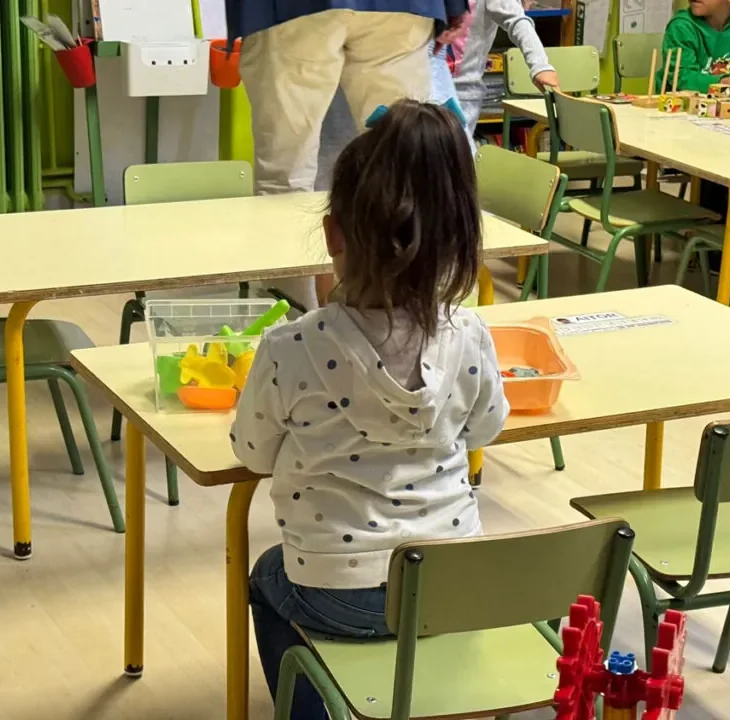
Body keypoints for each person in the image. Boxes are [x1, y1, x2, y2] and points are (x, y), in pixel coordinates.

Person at [230, 100, 511, 720]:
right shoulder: (469, 335)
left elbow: (250, 454)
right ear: (454, 238)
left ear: (333, 234)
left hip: (338, 587)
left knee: (267, 576)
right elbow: (487, 426)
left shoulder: (290, 345)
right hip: (452, 581)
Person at [229, 0, 469, 310]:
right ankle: (404, 317)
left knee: (284, 179)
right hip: (402, 7)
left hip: (291, 10)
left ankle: (290, 328)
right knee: (402, 164)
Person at [660, 0, 730, 216]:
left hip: (728, 124)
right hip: (682, 122)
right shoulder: (682, 25)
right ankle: (712, 235)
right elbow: (682, 76)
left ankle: (714, 231)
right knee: (716, 170)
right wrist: (720, 82)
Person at [454, 0, 560, 141]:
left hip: (463, 93)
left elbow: (518, 21)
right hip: (422, 89)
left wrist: (540, 65)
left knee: (456, 156)